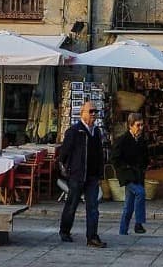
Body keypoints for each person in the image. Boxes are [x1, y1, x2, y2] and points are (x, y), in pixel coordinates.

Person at [57, 101, 105, 248]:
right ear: (82, 113)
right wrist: (68, 169)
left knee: (93, 207)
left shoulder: (96, 132)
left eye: (95, 111)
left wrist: (100, 174)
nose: (94, 114)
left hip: (92, 176)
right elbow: (63, 153)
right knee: (72, 205)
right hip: (77, 175)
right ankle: (64, 231)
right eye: (90, 111)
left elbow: (99, 154)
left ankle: (92, 237)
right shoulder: (74, 131)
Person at [112, 112, 149, 235]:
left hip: (138, 174)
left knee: (128, 206)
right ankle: (138, 223)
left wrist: (143, 167)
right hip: (128, 175)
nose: (141, 128)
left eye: (142, 125)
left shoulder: (141, 141)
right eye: (138, 125)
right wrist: (124, 169)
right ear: (130, 126)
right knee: (140, 193)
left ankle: (123, 231)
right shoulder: (122, 140)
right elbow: (115, 158)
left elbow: (145, 157)